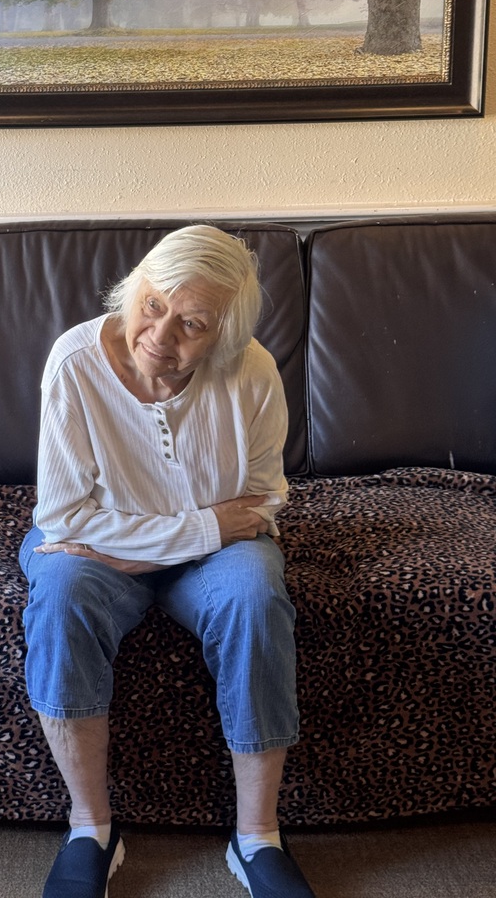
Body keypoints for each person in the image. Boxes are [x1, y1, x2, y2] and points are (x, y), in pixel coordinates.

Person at [18, 225, 316, 898]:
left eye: (193, 324)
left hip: (190, 555)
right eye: (152, 305)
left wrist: (147, 548)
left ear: (224, 336)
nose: (158, 335)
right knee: (61, 588)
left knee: (255, 592)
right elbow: (63, 520)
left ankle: (258, 838)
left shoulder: (252, 371)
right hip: (100, 554)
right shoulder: (75, 362)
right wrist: (202, 526)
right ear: (135, 288)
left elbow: (263, 501)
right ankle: (90, 829)